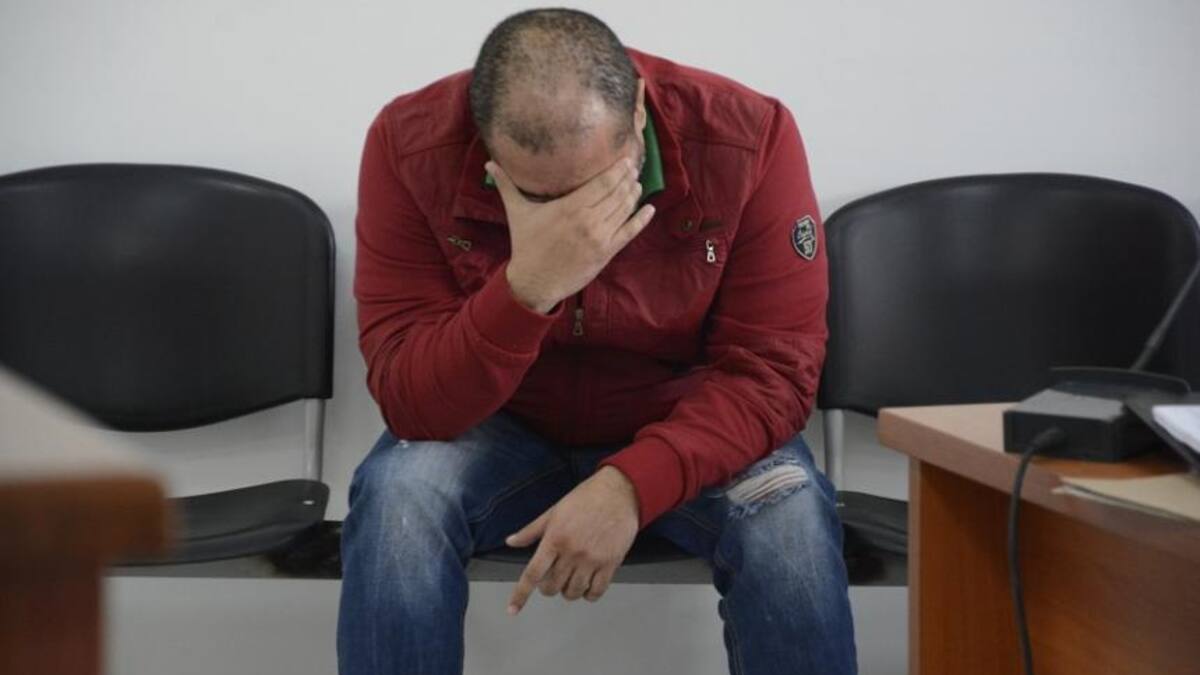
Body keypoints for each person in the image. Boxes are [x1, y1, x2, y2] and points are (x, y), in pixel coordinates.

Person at [338, 8, 856, 675]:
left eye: (600, 185)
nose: (576, 220)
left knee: (789, 516)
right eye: (538, 196)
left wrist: (631, 486)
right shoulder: (409, 145)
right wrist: (528, 287)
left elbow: (775, 373)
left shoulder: (747, 137)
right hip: (500, 423)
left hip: (686, 419)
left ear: (637, 107)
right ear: (484, 141)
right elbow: (408, 397)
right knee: (396, 503)